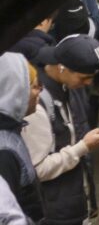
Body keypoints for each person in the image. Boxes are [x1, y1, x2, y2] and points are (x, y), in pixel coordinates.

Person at [23, 35, 99, 223]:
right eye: (84, 77)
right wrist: (83, 147)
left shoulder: (67, 85)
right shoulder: (37, 107)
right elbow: (37, 170)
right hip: (55, 211)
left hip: (73, 199)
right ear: (61, 67)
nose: (89, 83)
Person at [0, 53, 44, 222]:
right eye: (33, 86)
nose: (39, 91)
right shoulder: (4, 152)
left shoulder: (11, 131)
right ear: (15, 92)